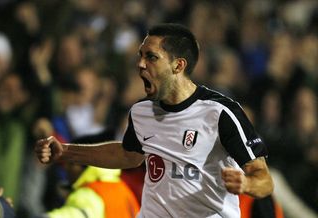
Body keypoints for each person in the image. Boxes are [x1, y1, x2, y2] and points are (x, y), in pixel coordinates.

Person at [35, 23, 274, 218]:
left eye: (151, 57)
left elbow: (263, 179)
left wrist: (246, 184)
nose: (140, 64)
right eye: (141, 56)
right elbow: (128, 155)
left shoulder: (220, 112)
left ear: (178, 65)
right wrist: (65, 152)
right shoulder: (141, 112)